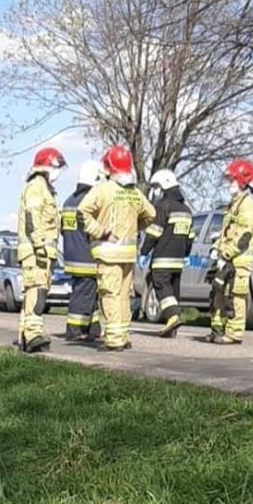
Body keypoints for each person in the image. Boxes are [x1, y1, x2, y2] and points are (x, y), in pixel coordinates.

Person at [79, 144, 156, 351]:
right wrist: (134, 228)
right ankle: (122, 335)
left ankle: (113, 339)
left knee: (110, 295)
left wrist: (101, 231)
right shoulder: (135, 194)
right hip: (128, 255)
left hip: (108, 252)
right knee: (123, 296)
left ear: (108, 167)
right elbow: (151, 215)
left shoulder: (102, 190)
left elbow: (82, 213)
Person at [16, 146, 67, 353]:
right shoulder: (36, 187)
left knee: (34, 293)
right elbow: (32, 217)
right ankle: (33, 334)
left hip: (44, 252)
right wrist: (39, 245)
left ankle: (26, 336)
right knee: (37, 293)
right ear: (45, 167)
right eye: (56, 167)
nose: (58, 172)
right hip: (36, 252)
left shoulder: (46, 189)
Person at [207, 158, 253, 344]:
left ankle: (234, 333)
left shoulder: (248, 205)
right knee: (218, 295)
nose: (229, 184)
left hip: (239, 261)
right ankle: (218, 330)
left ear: (242, 180)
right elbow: (226, 232)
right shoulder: (234, 204)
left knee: (235, 296)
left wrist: (227, 253)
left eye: (232, 179)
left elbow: (244, 235)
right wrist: (216, 249)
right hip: (226, 259)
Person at [140, 169, 194, 338]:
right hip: (178, 260)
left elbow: (154, 232)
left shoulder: (163, 206)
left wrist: (144, 251)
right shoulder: (186, 209)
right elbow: (190, 237)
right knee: (173, 290)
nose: (156, 190)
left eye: (157, 187)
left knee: (161, 286)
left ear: (163, 185)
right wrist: (185, 254)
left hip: (163, 258)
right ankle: (172, 328)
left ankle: (172, 315)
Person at [61, 160, 105, 342]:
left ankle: (93, 329)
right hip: (87, 258)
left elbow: (64, 231)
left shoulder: (68, 201)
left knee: (89, 296)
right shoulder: (90, 201)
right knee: (83, 295)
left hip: (72, 256)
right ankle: (74, 330)